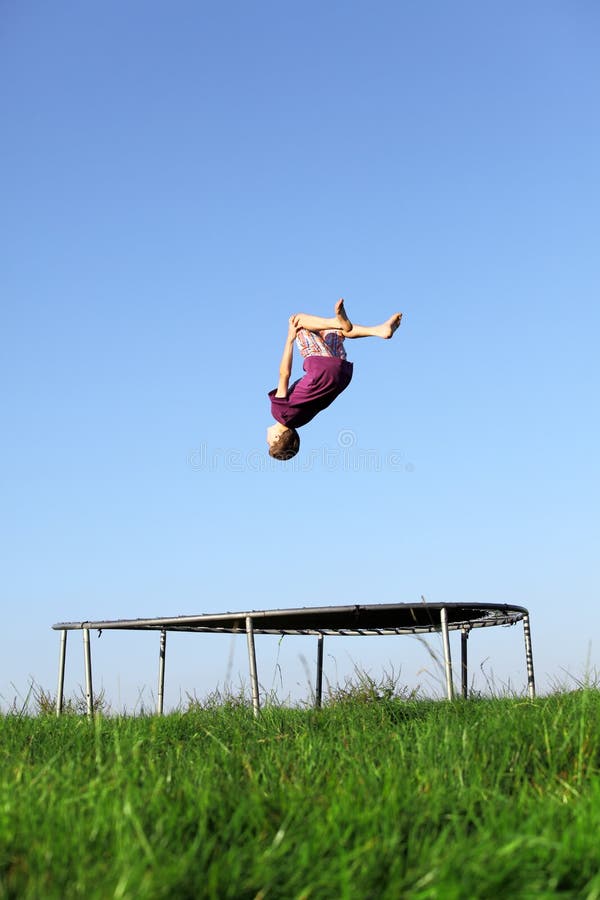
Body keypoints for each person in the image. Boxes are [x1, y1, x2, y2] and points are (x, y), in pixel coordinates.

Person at [267, 298, 402, 460]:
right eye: (269, 443)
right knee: (298, 322)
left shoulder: (301, 420)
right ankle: (336, 321)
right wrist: (290, 339)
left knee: (333, 332)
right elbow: (284, 374)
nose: (266, 440)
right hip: (322, 368)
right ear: (277, 438)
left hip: (341, 375)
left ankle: (379, 331)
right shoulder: (278, 412)